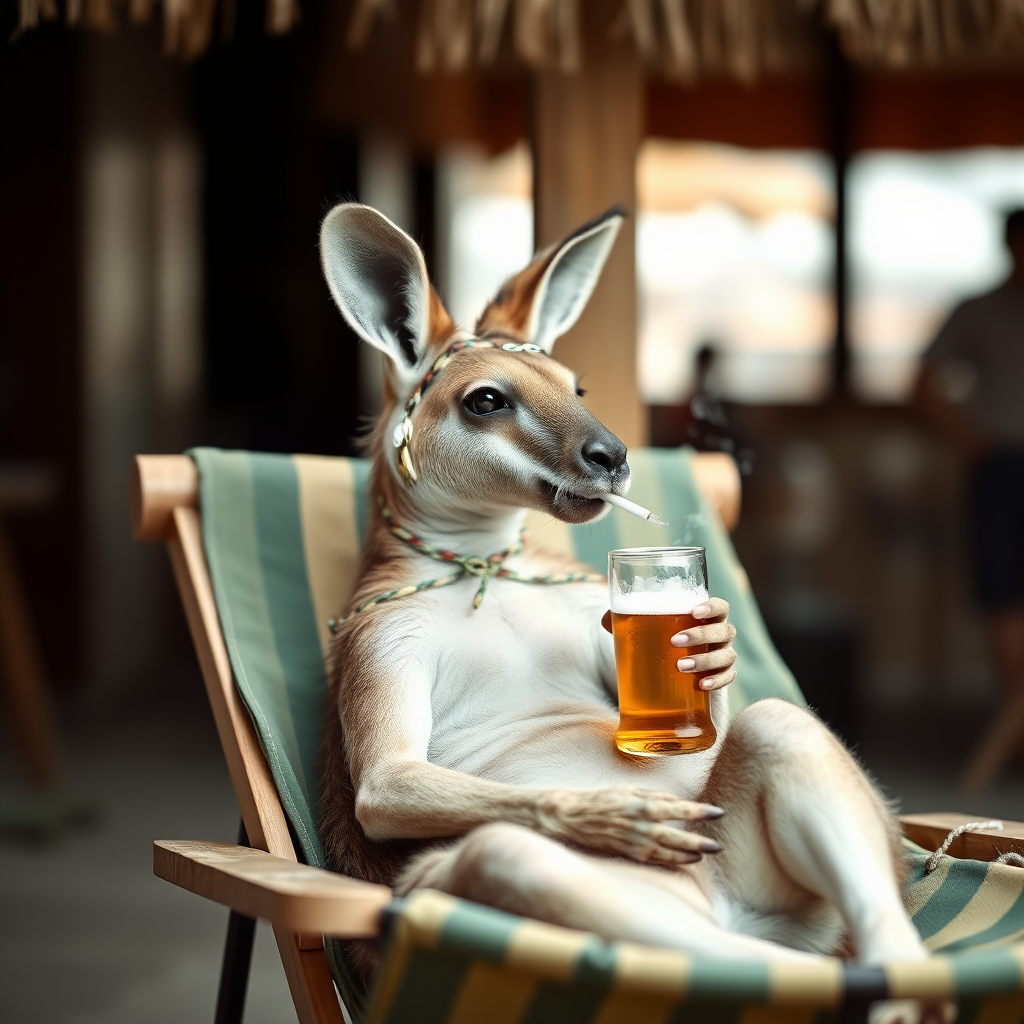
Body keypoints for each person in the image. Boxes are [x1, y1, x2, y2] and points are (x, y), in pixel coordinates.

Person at [914, 207, 1024, 789]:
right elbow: (924, 382)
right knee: (1002, 592)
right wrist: (972, 442)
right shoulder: (979, 311)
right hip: (1003, 466)